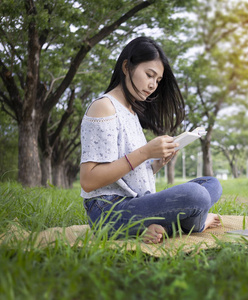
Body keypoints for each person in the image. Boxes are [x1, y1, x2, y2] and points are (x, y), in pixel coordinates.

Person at [79, 36, 222, 244]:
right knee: (196, 196)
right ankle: (194, 224)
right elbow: (89, 181)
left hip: (135, 202)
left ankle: (146, 227)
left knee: (211, 184)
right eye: (149, 75)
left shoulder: (131, 111)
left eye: (158, 80)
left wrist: (156, 163)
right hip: (108, 210)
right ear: (127, 67)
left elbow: (127, 174)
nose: (153, 85)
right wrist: (145, 152)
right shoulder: (104, 107)